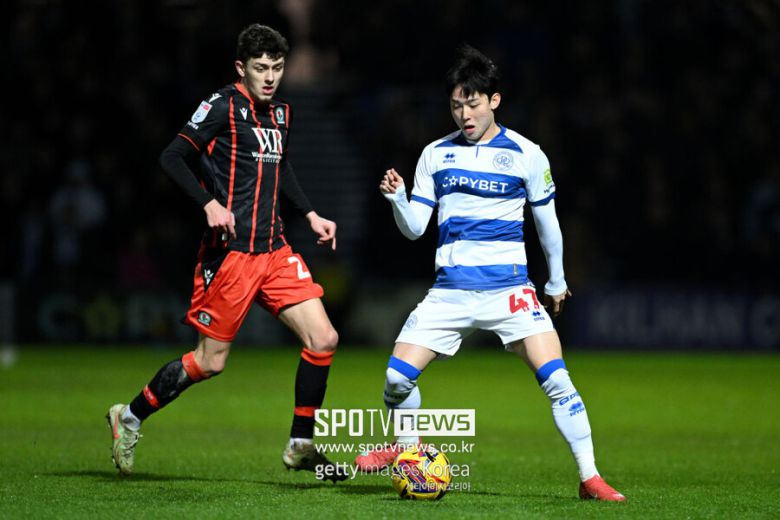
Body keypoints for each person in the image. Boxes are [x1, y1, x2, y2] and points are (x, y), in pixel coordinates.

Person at [355, 45, 625, 501]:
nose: (465, 114)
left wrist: (556, 281)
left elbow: (548, 224)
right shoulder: (435, 155)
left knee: (558, 380)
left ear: (494, 100)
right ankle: (406, 448)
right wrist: (399, 200)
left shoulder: (527, 154)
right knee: (397, 379)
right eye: (456, 105)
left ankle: (590, 478)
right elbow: (416, 228)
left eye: (473, 103)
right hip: (450, 293)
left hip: (509, 292)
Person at [106, 24, 346, 482]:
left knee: (324, 339)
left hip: (274, 250)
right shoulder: (222, 106)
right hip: (231, 255)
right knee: (210, 362)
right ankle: (130, 417)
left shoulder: (281, 114)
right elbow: (172, 156)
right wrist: (208, 203)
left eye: (277, 68)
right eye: (261, 68)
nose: (270, 77)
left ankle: (300, 444)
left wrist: (311, 213)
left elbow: (281, 166)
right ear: (241, 68)